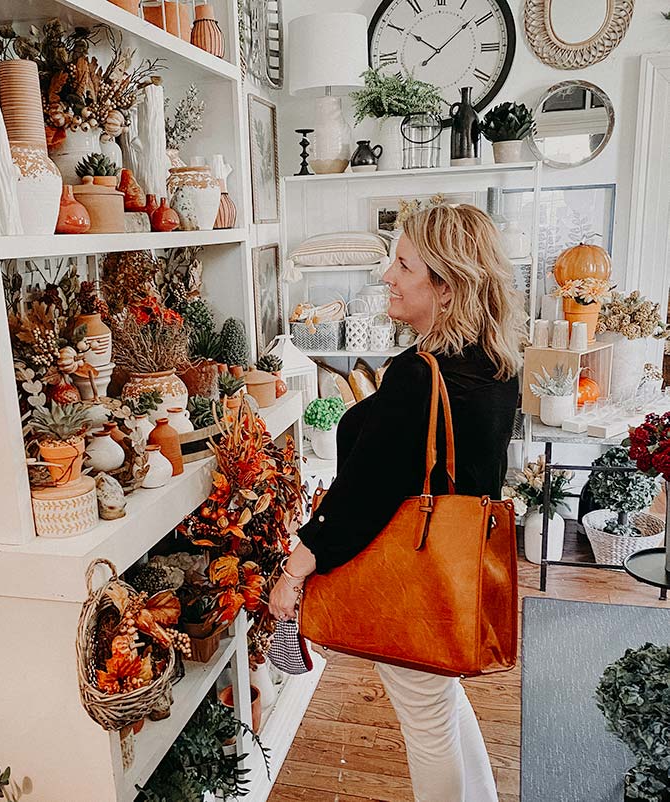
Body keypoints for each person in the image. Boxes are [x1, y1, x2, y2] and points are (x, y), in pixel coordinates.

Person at [268, 204, 524, 802]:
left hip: (413, 577)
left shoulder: (419, 374)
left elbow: (364, 494)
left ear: (446, 283)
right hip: (451, 577)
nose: (387, 275)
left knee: (428, 726)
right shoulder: (494, 364)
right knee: (440, 702)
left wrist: (295, 569)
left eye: (404, 264)